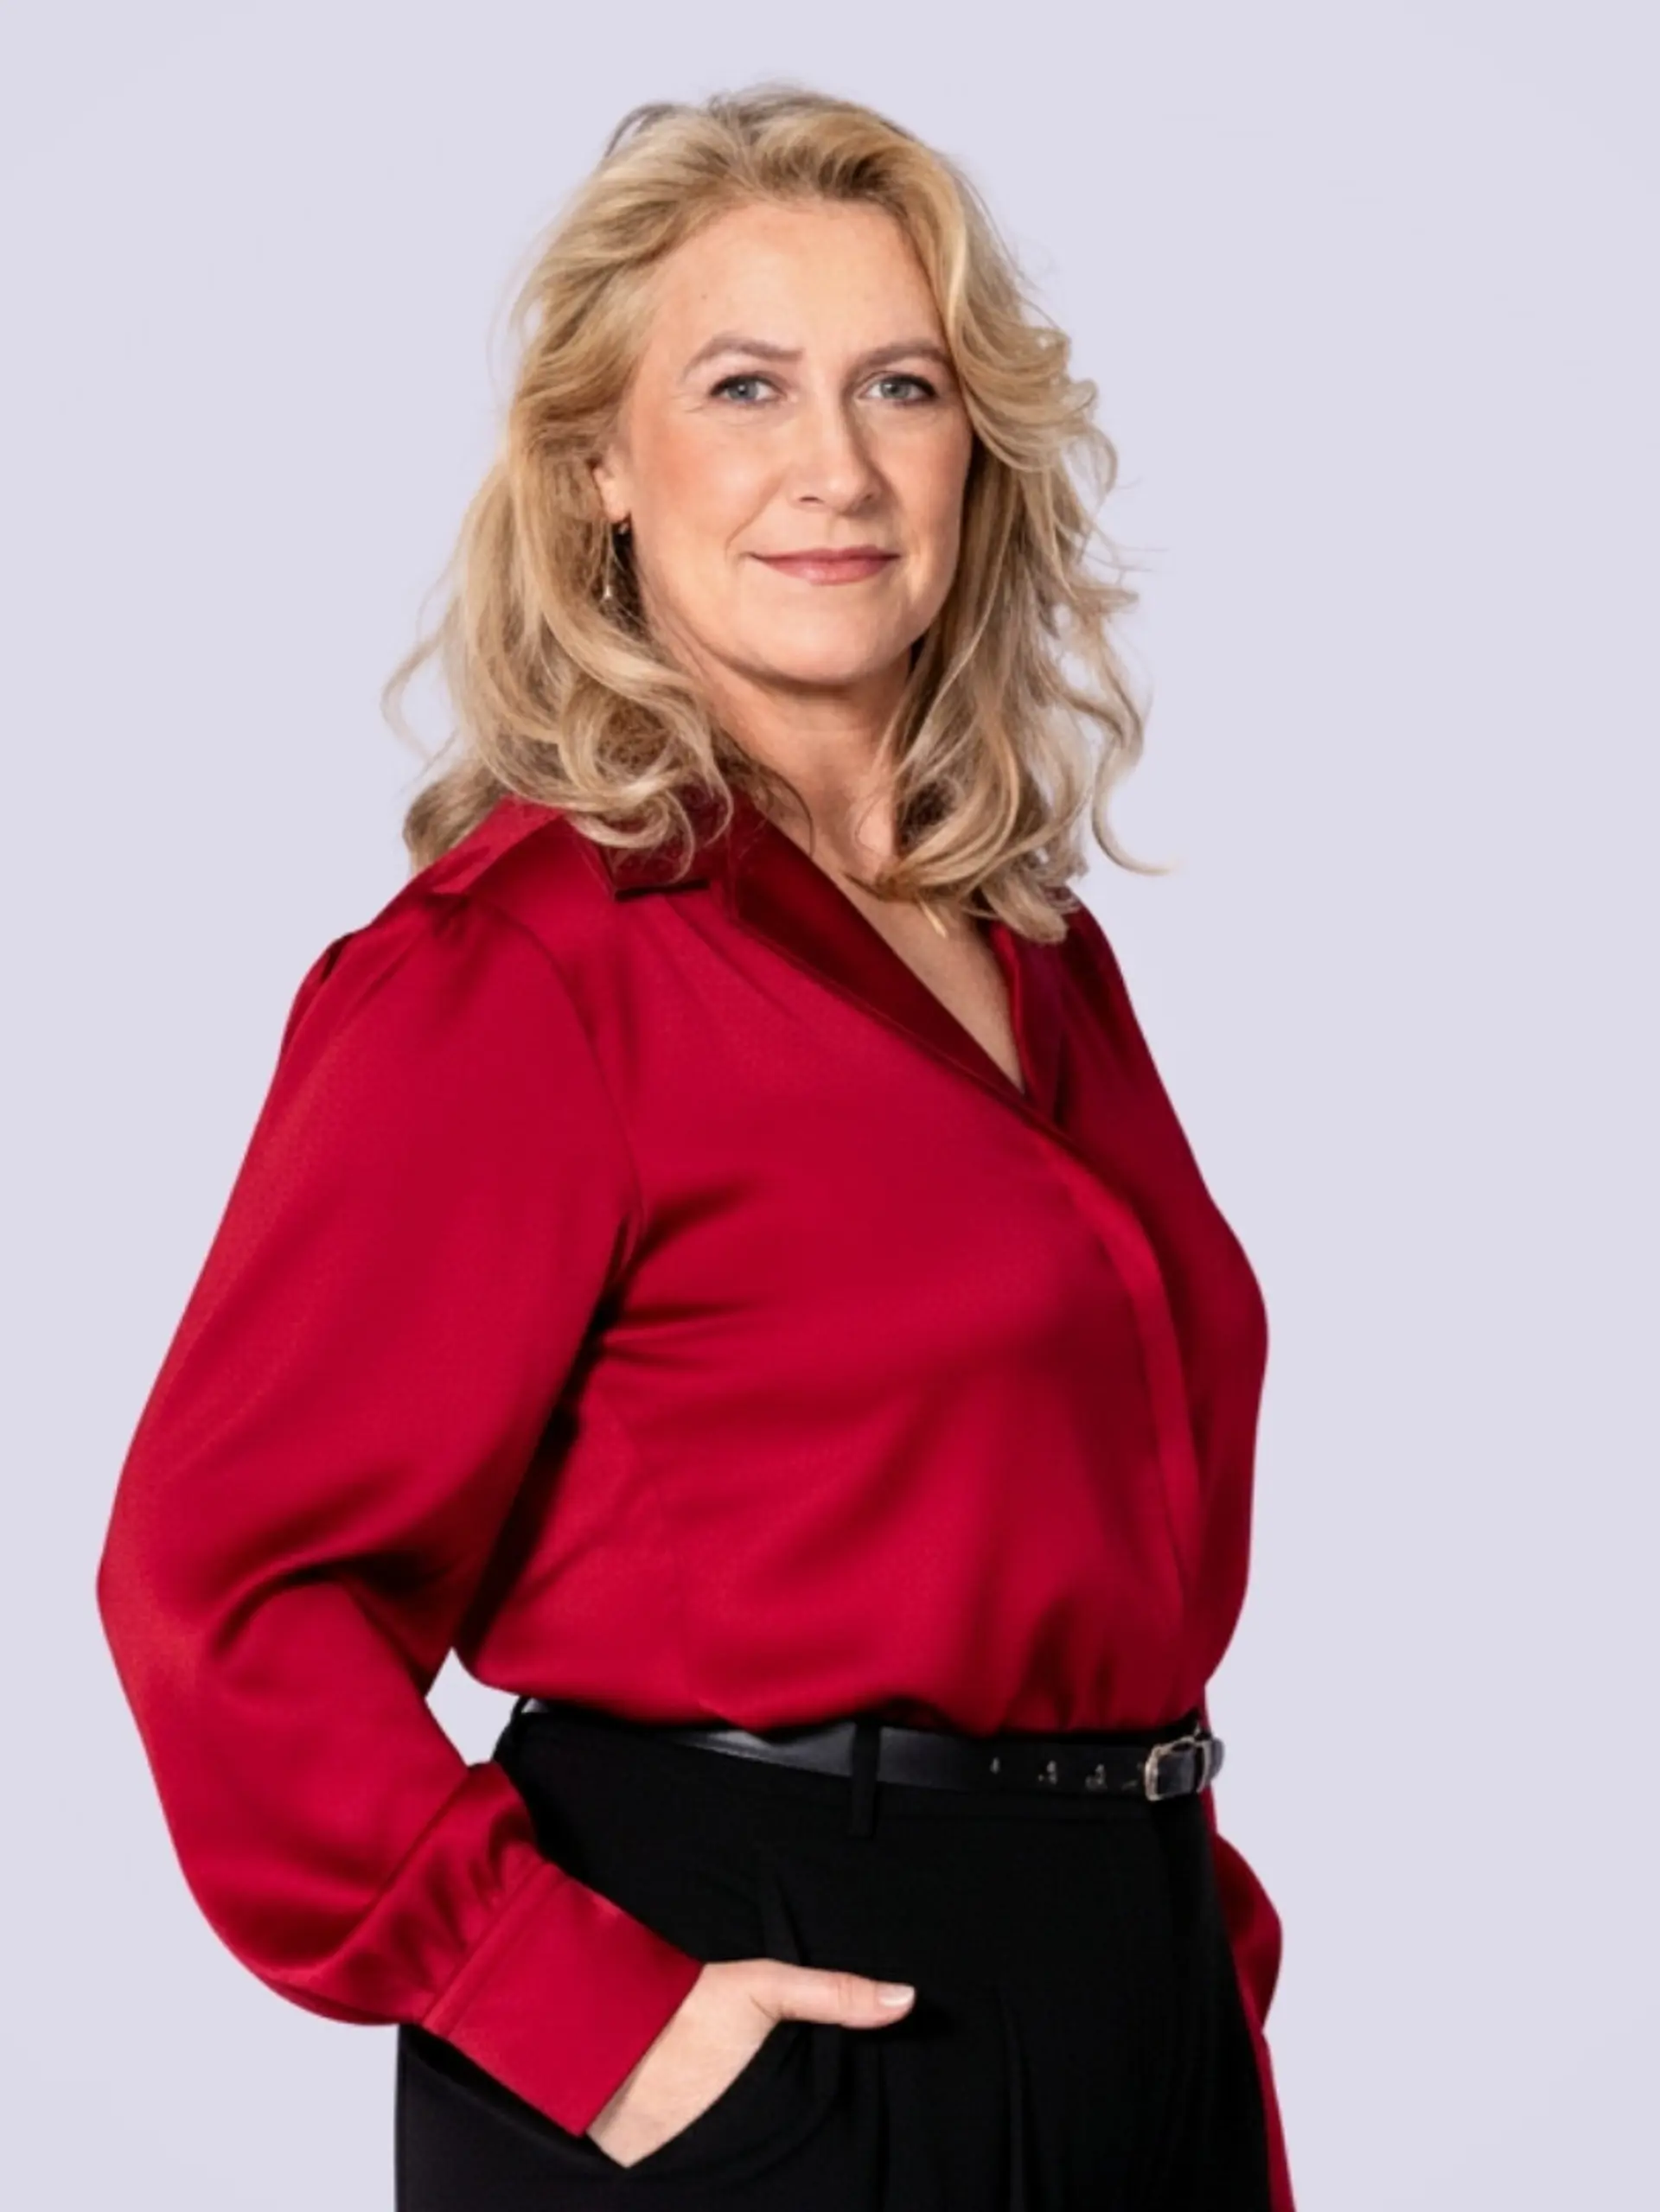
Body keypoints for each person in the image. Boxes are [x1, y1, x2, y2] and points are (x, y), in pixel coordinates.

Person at [94, 82, 1296, 2212]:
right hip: (763, 2025)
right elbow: (226, 1590)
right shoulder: (525, 967)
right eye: (745, 386)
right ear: (601, 465)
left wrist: (1158, 1952)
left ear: (974, 449)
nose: (836, 465)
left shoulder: (1038, 949)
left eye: (900, 386)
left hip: (1115, 2008)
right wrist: (583, 2016)